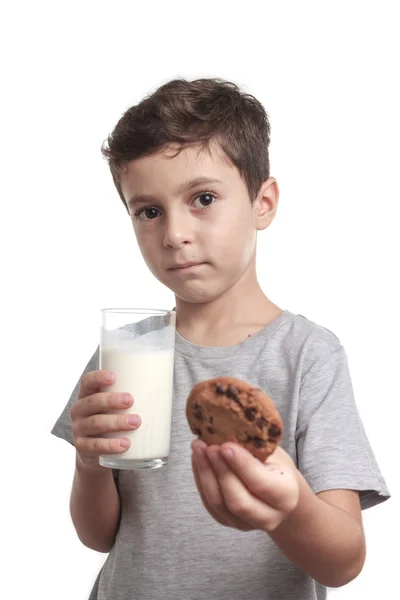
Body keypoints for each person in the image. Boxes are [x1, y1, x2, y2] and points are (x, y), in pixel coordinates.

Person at [51, 78, 390, 600]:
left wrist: (290, 509)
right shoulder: (128, 349)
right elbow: (97, 536)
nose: (174, 234)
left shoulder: (307, 356)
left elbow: (345, 560)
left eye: (203, 198)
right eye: (148, 211)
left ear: (263, 202)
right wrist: (88, 464)